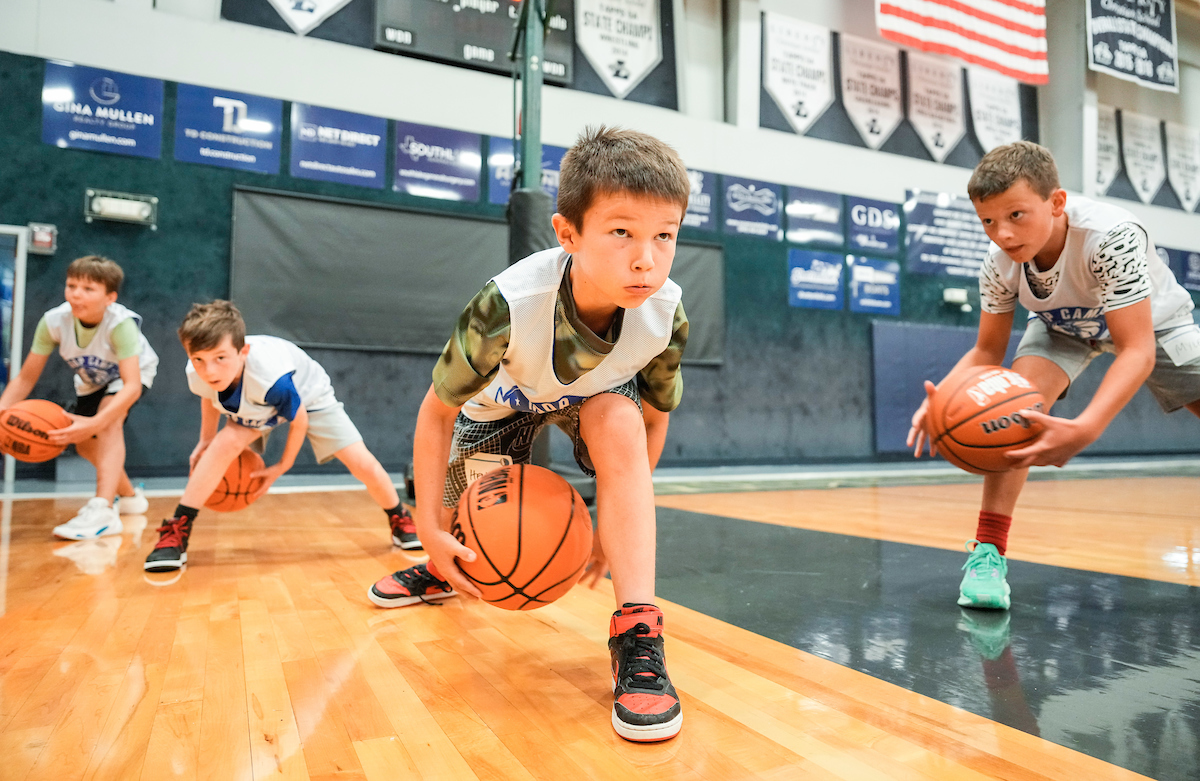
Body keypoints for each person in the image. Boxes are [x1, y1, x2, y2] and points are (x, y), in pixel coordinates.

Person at [367, 126, 691, 743]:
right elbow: (435, 414)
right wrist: (432, 530)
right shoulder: (507, 306)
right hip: (501, 407)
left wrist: (613, 523)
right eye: (621, 232)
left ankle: (639, 632)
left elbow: (654, 417)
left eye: (664, 236)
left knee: (618, 417)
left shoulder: (663, 312)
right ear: (568, 234)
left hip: (593, 402)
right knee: (471, 529)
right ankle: (447, 569)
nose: (646, 257)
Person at [908, 141, 1200, 609]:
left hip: (1154, 325)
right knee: (1016, 414)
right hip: (1062, 328)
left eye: (1016, 215)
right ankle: (988, 555)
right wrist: (943, 398)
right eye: (988, 221)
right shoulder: (998, 264)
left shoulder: (1112, 236)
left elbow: (1136, 350)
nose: (1002, 233)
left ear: (1056, 202)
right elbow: (986, 350)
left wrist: (1086, 427)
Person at [144, 300, 416, 571]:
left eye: (220, 358)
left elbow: (299, 420)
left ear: (243, 351)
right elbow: (208, 395)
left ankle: (399, 517)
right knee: (223, 444)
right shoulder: (199, 371)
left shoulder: (272, 378)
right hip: (257, 401)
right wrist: (205, 440)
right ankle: (177, 531)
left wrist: (281, 466)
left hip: (308, 397)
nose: (209, 370)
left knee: (361, 461)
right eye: (199, 360)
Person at [0, 255, 158, 539]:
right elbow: (25, 378)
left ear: (110, 297)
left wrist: (98, 421)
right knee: (85, 445)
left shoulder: (120, 325)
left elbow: (132, 385)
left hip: (133, 375)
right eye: (71, 285)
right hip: (90, 381)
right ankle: (131, 497)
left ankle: (103, 510)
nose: (76, 294)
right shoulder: (54, 322)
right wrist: (2, 410)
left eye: (88, 289)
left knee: (109, 422)